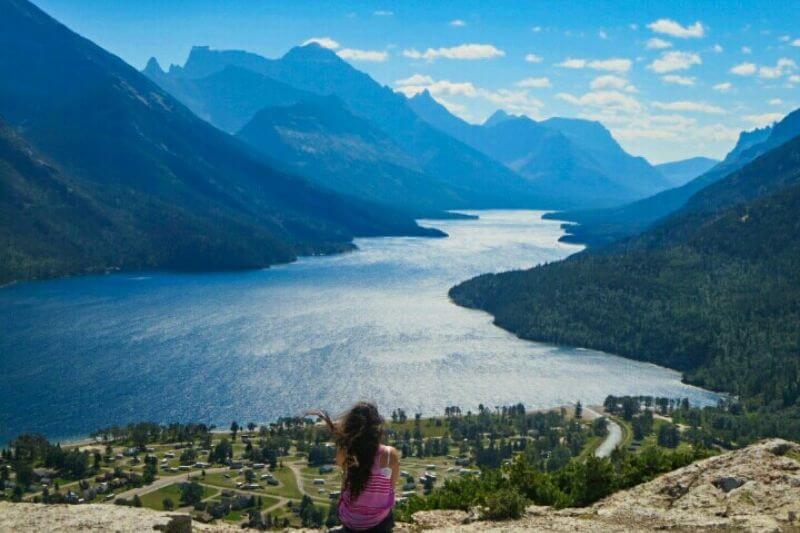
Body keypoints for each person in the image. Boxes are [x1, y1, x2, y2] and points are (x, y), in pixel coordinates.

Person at [310, 403, 399, 532]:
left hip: (350, 522)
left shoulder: (346, 452)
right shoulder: (390, 454)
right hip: (379, 523)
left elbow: (340, 464)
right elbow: (391, 488)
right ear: (377, 427)